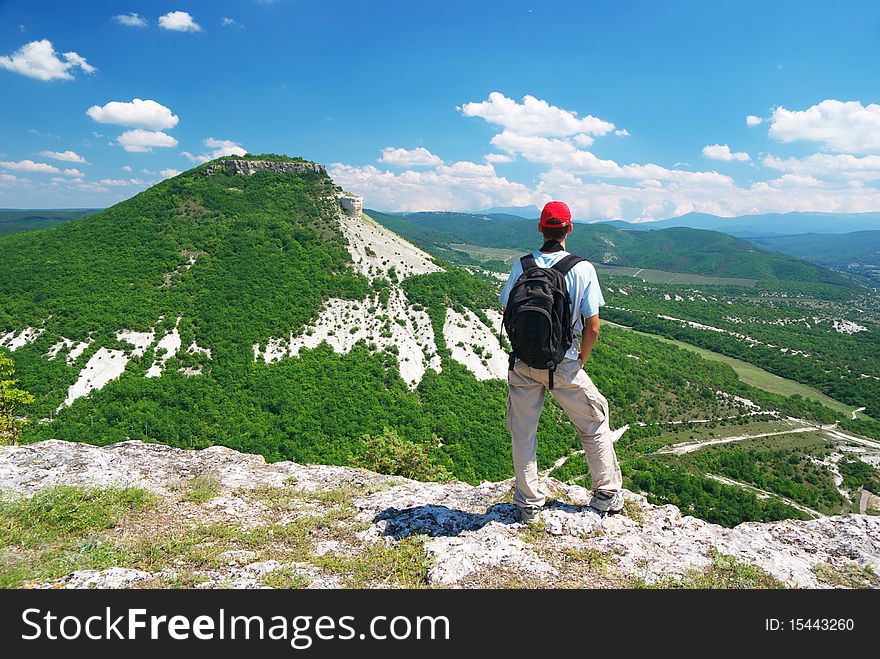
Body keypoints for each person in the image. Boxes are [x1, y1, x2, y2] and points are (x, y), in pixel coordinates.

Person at [499, 200, 624, 523]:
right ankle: (605, 494)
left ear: (540, 228)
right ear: (569, 228)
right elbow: (593, 325)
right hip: (564, 362)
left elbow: (506, 311)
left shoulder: (522, 266)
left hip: (524, 362)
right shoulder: (581, 269)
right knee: (594, 420)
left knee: (523, 431)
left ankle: (528, 502)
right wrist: (580, 358)